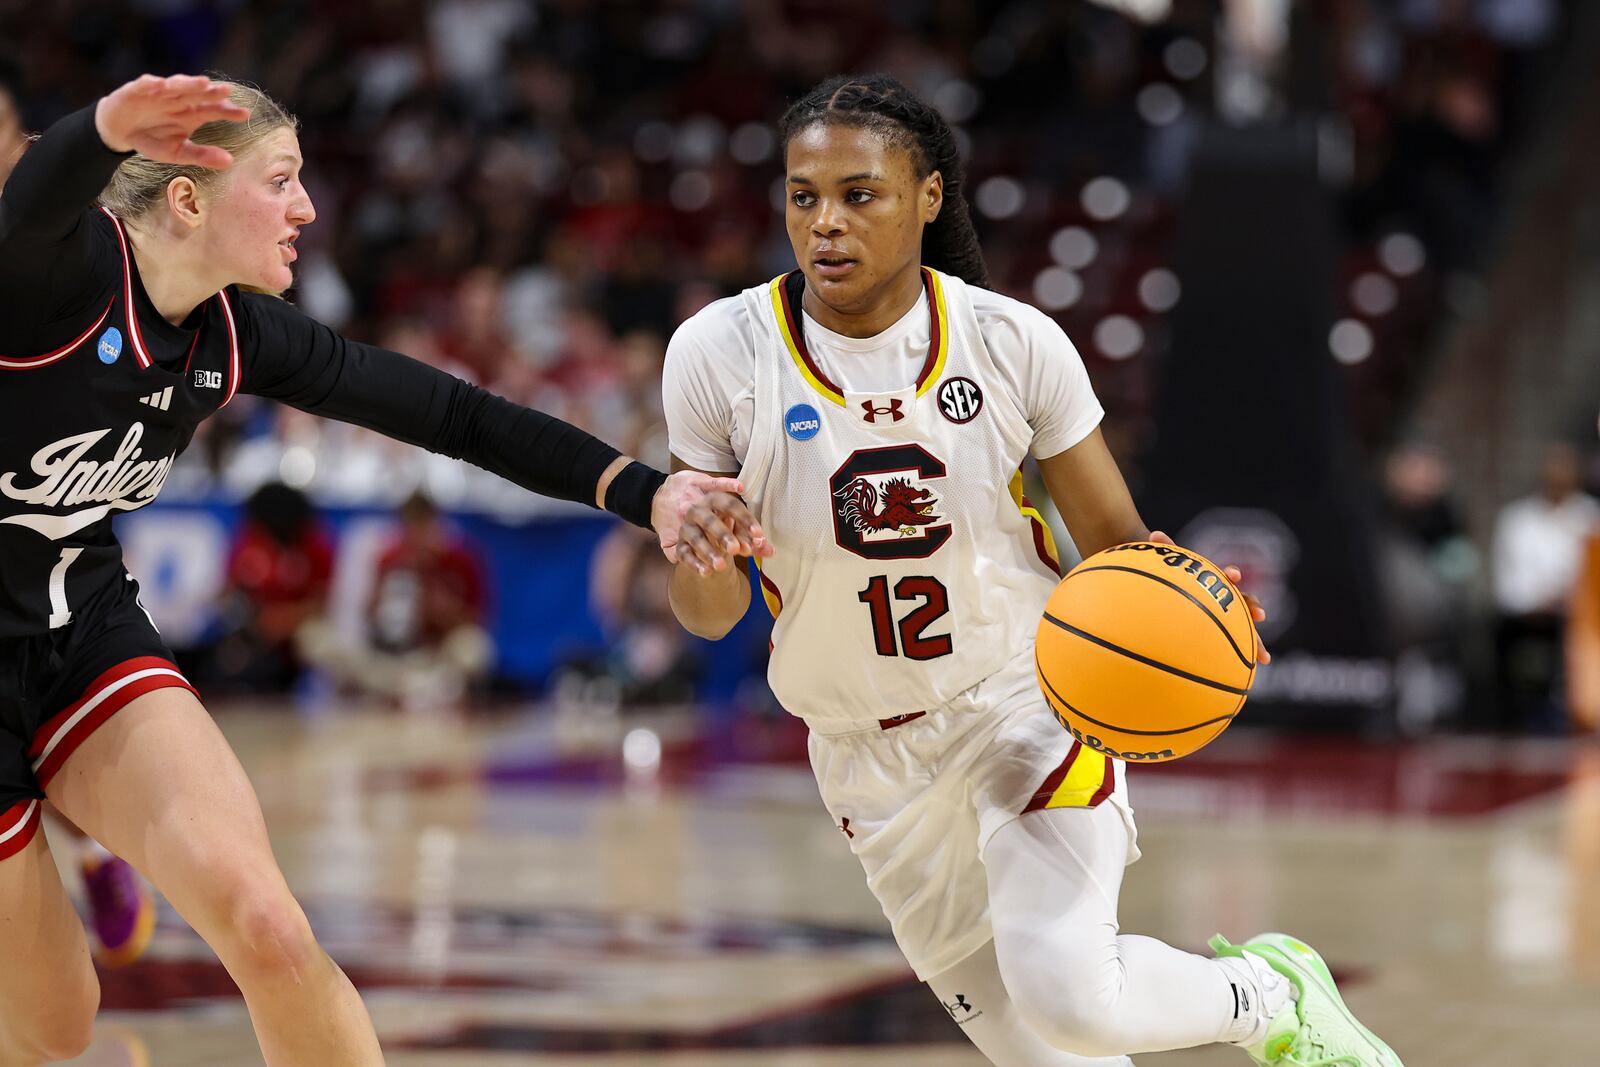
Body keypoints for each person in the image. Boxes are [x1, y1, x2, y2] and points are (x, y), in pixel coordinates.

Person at [0, 74, 760, 1066]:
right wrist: (100, 129)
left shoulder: (237, 333)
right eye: (281, 179)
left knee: (270, 927)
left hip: (80, 628)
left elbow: (454, 414)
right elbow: (26, 211)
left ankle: (92, 843)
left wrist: (642, 490)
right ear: (188, 196)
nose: (307, 208)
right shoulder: (54, 283)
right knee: (54, 1023)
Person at [664, 74, 1401, 1067]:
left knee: (1075, 1001)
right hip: (862, 755)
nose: (825, 224)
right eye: (803, 197)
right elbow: (708, 616)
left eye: (859, 194)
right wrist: (701, 541)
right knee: (1048, 1052)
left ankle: (1268, 990)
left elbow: (1116, 538)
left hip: (1021, 700)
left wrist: (1200, 606)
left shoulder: (1011, 342)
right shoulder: (718, 352)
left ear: (928, 196)